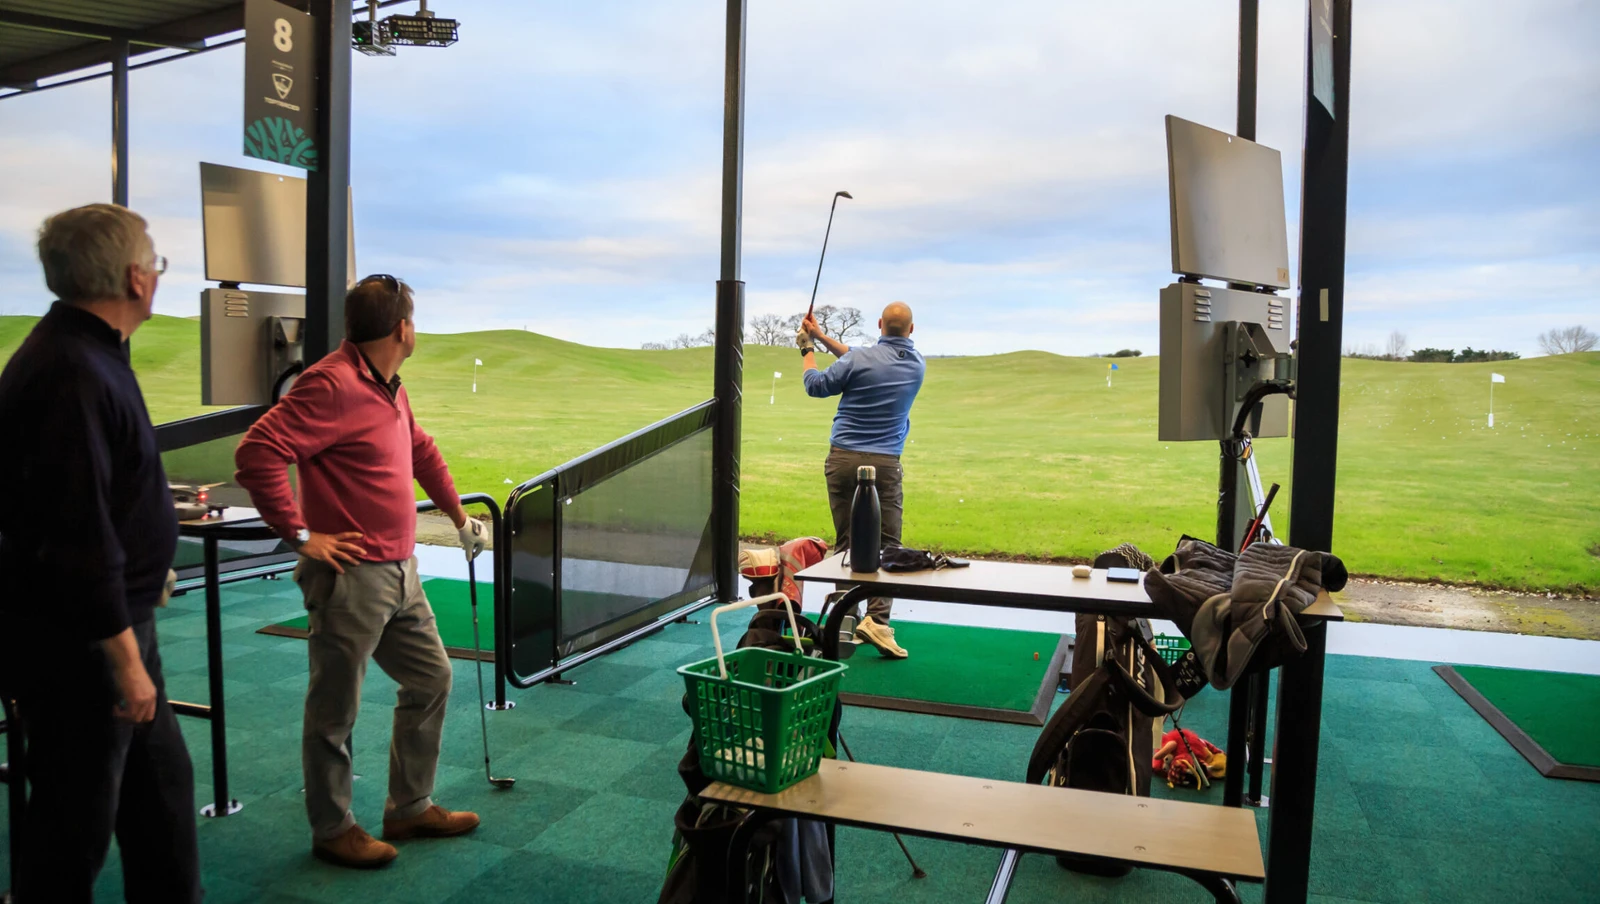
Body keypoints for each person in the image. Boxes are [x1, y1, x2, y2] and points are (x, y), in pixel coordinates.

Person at [234, 275, 489, 869]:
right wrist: (300, 536)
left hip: (402, 570)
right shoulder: (331, 384)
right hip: (351, 576)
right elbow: (257, 452)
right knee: (334, 709)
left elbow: (420, 449)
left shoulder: (388, 386)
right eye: (415, 320)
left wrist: (456, 515)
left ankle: (409, 805)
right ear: (403, 328)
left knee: (431, 678)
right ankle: (332, 826)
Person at [0, 204, 201, 902]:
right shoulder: (71, 372)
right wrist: (123, 661)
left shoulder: (87, 353)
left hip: (115, 628)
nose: (157, 277)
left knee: (163, 800)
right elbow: (74, 537)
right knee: (71, 825)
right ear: (135, 278)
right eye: (157, 264)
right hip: (85, 645)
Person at [799, 302, 925, 659]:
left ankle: (845, 621)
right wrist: (822, 335)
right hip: (885, 465)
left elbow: (817, 385)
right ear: (911, 331)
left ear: (880, 324)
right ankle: (878, 622)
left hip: (843, 460)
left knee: (847, 544)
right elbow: (860, 358)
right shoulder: (916, 364)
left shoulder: (858, 360)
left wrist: (807, 349)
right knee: (888, 546)